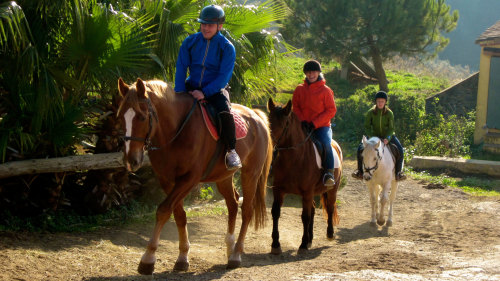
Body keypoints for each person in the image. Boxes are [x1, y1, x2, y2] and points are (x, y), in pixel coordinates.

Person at [174, 4, 241, 170]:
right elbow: (181, 67)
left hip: (215, 90)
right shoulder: (190, 42)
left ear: (220, 26)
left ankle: (231, 151)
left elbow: (223, 77)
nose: (205, 28)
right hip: (190, 85)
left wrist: (204, 93)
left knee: (225, 112)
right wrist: (180, 91)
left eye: (210, 25)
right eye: (203, 24)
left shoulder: (227, 48)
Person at [292, 60, 337, 188]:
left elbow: (331, 110)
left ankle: (329, 173)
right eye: (308, 72)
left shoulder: (326, 91)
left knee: (326, 144)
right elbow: (295, 107)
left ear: (318, 73)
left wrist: (315, 123)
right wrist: (303, 121)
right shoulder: (299, 89)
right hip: (303, 125)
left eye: (314, 72)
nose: (311, 74)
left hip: (321, 126)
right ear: (305, 73)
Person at [352, 91, 407, 181]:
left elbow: (391, 128)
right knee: (360, 149)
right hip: (374, 136)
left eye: (382, 101)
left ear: (385, 102)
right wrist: (372, 136)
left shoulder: (389, 113)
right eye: (378, 101)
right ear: (375, 102)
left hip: (387, 136)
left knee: (400, 149)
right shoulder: (370, 112)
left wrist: (387, 138)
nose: (380, 103)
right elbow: (367, 126)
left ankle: (398, 173)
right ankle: (359, 171)